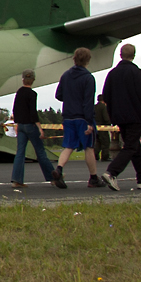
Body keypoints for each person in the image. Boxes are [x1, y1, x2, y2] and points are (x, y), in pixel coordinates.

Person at [99, 43, 141, 190]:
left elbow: (106, 95)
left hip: (119, 117)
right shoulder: (136, 72)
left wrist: (112, 116)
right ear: (134, 55)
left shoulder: (112, 74)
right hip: (135, 117)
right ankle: (112, 172)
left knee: (135, 147)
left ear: (120, 54)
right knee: (130, 146)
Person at [53, 47, 103, 188]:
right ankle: (93, 177)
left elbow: (58, 95)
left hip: (68, 116)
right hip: (82, 117)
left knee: (68, 146)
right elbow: (88, 101)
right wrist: (89, 121)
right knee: (89, 147)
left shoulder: (66, 75)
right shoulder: (88, 78)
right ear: (88, 60)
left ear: (74, 59)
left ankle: (59, 169)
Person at [10, 69, 57, 187]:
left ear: (23, 79)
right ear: (33, 80)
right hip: (30, 126)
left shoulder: (19, 92)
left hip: (20, 126)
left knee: (20, 152)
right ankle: (53, 177)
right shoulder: (32, 94)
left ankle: (17, 179)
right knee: (40, 152)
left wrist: (16, 124)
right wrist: (40, 128)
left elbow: (15, 109)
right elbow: (33, 112)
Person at [94, 95, 112, 162]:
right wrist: (110, 123)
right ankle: (105, 156)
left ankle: (95, 155)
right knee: (105, 142)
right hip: (103, 127)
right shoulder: (103, 107)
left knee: (97, 142)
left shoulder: (94, 107)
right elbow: (106, 117)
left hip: (95, 127)